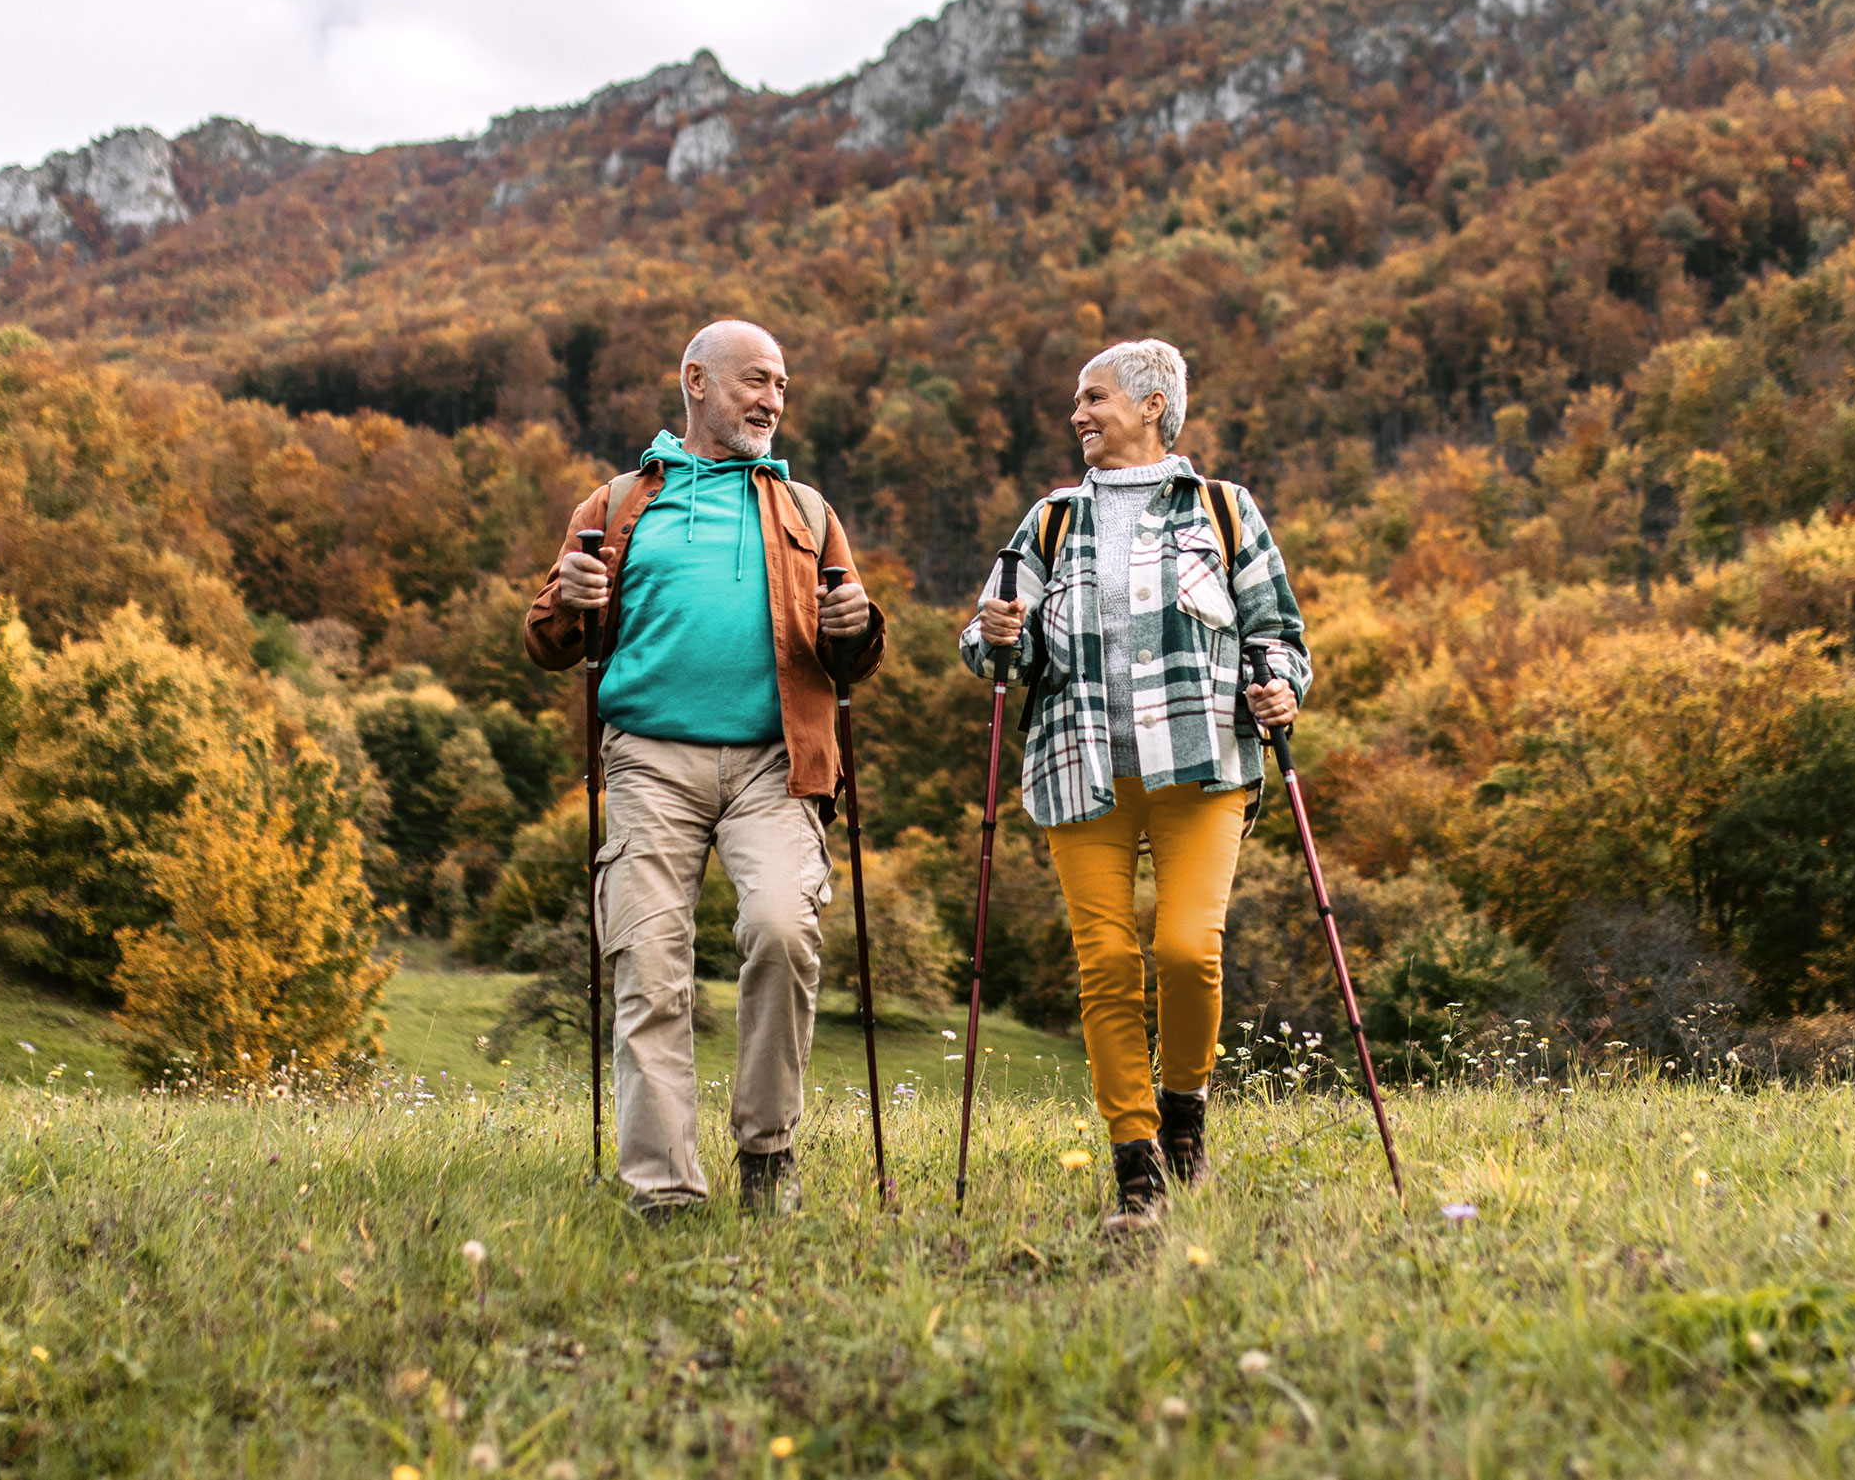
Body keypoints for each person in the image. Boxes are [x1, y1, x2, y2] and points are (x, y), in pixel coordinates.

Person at [526, 319, 886, 1222]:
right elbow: (545, 636)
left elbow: (854, 646)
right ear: (696, 380)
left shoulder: (807, 511)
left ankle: (767, 1150)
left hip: (777, 761)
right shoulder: (615, 504)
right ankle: (664, 1190)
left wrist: (860, 630)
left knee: (780, 929)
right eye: (756, 381)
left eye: (782, 387)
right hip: (649, 760)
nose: (772, 400)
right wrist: (567, 605)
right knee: (649, 961)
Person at [961, 338, 1310, 1230]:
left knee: (1189, 950)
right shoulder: (1049, 522)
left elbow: (1278, 633)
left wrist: (1278, 682)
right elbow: (994, 648)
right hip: (1082, 767)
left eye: (1094, 397)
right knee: (1108, 964)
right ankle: (1136, 1165)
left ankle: (1185, 1109)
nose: (1078, 415)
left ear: (1152, 405)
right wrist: (1001, 631)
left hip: (1204, 765)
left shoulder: (1225, 510)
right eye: (1078, 402)